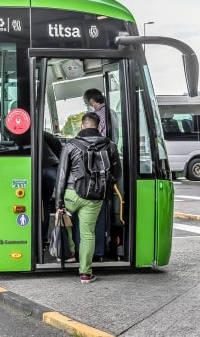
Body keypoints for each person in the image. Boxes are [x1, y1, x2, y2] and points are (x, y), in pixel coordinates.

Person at [54, 112, 121, 284]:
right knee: (88, 234)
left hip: (71, 193)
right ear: (98, 127)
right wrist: (105, 184)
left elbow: (61, 175)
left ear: (82, 126)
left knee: (64, 221)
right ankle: (85, 273)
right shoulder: (110, 146)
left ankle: (69, 253)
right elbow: (117, 173)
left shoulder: (70, 145)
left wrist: (58, 202)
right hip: (94, 197)